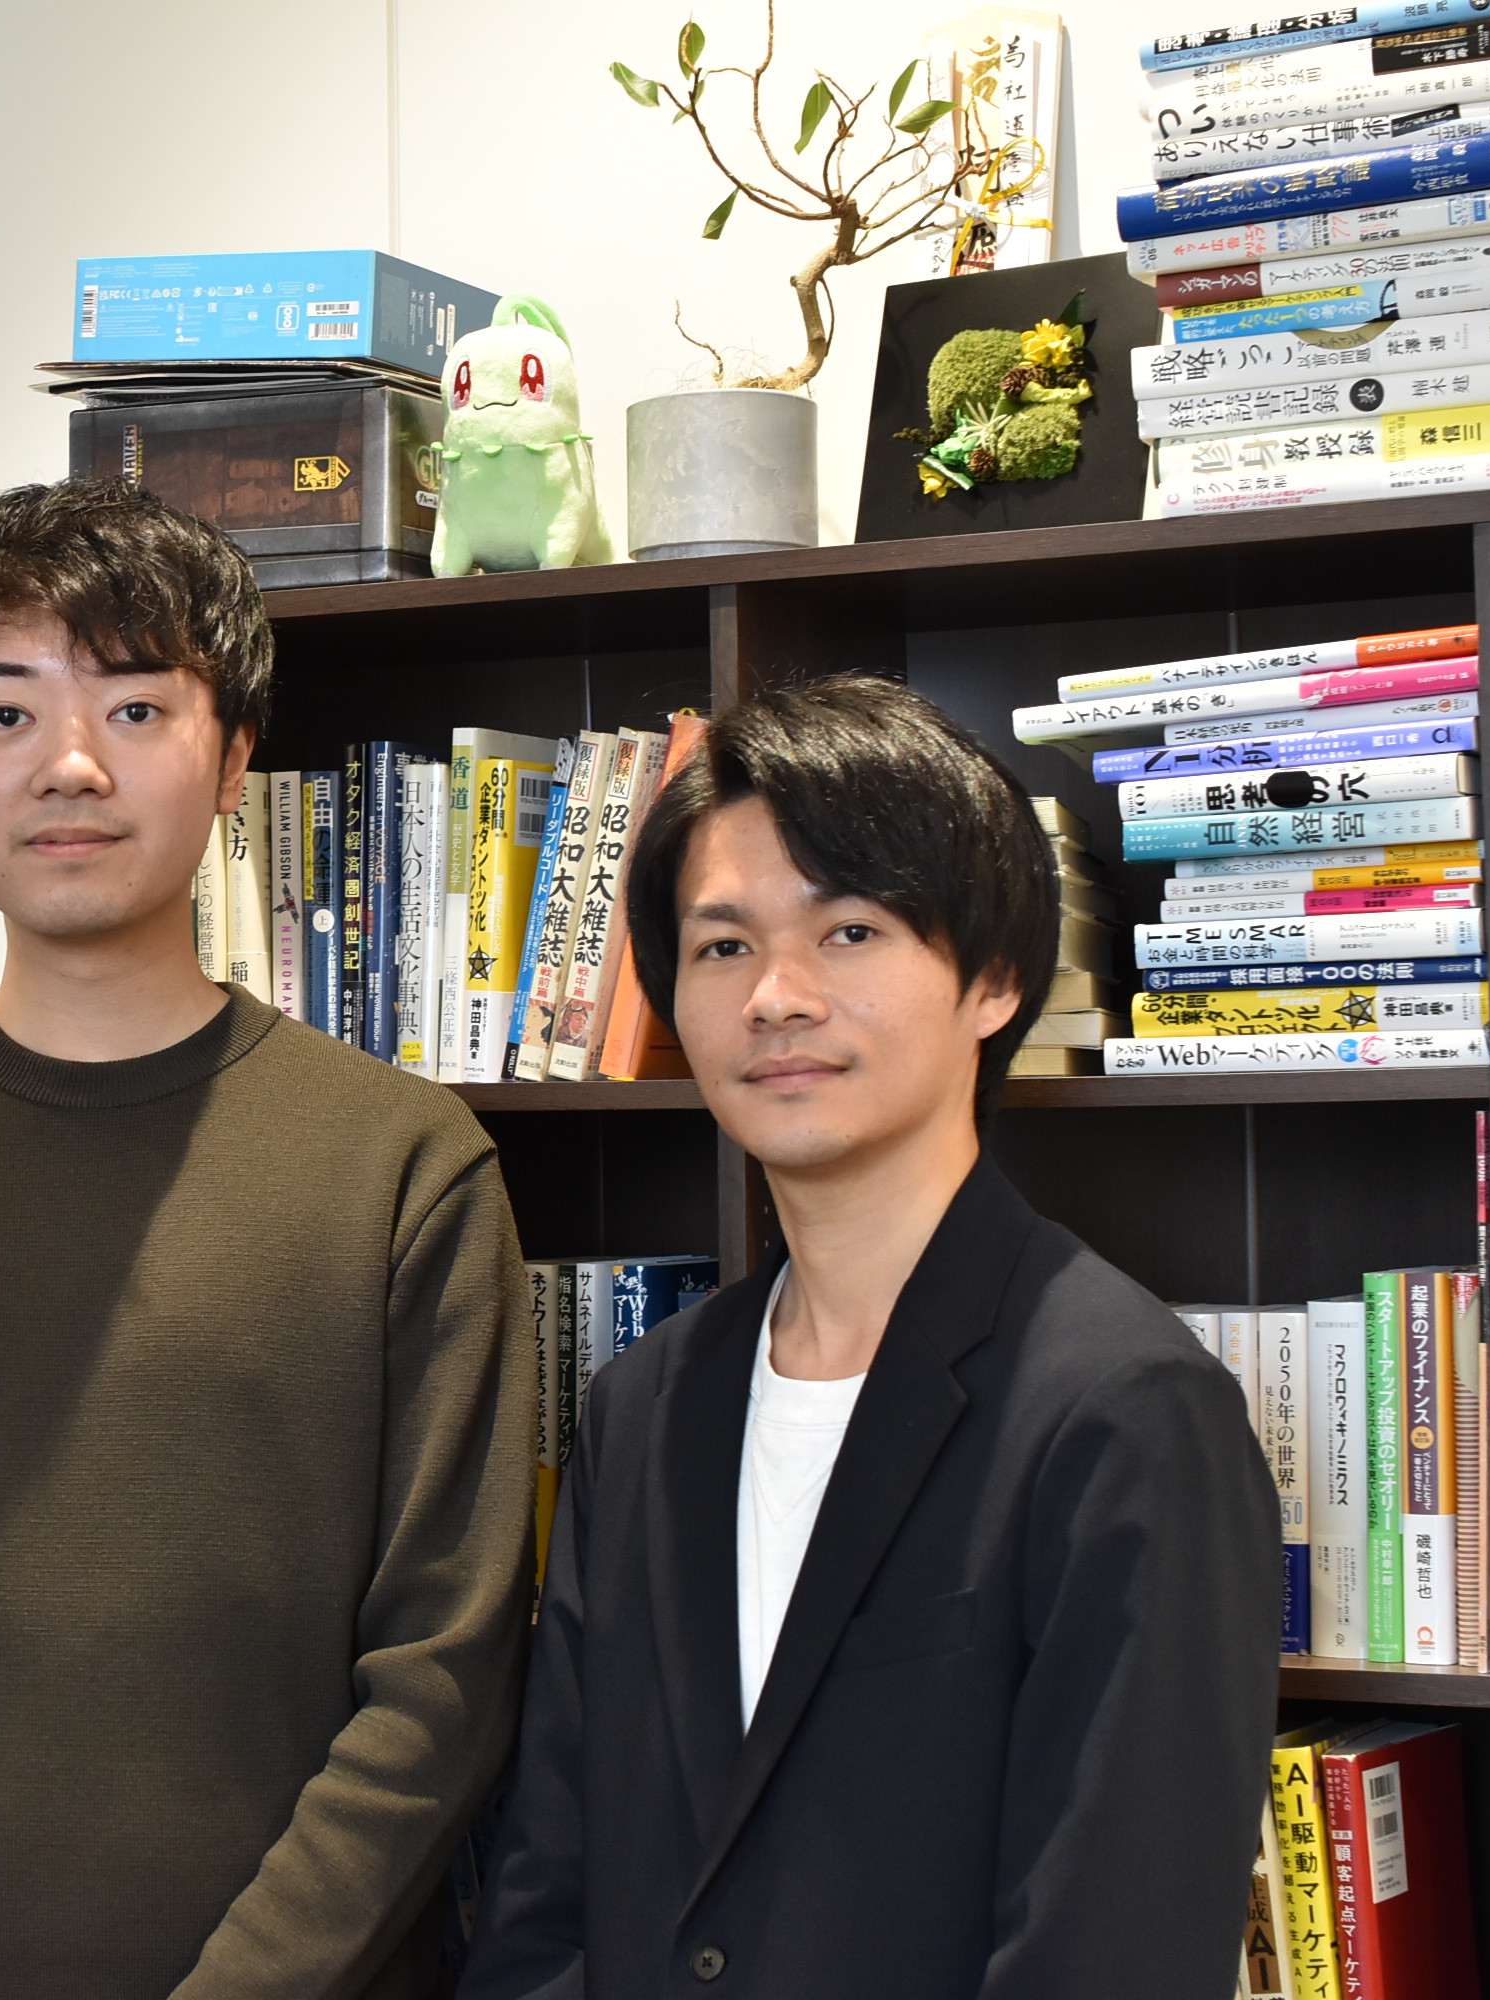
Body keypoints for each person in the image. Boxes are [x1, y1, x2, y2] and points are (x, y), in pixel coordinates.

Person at [0, 479, 534, 2000]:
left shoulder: (404, 1170)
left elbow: (444, 1675)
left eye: (135, 708)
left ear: (234, 758)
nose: (69, 763)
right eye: (4, 714)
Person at [459, 678, 1281, 1999]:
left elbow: (1108, 1955)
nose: (775, 996)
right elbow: (547, 1898)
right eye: (722, 947)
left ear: (992, 980)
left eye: (848, 931)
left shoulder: (1125, 1410)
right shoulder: (645, 1402)